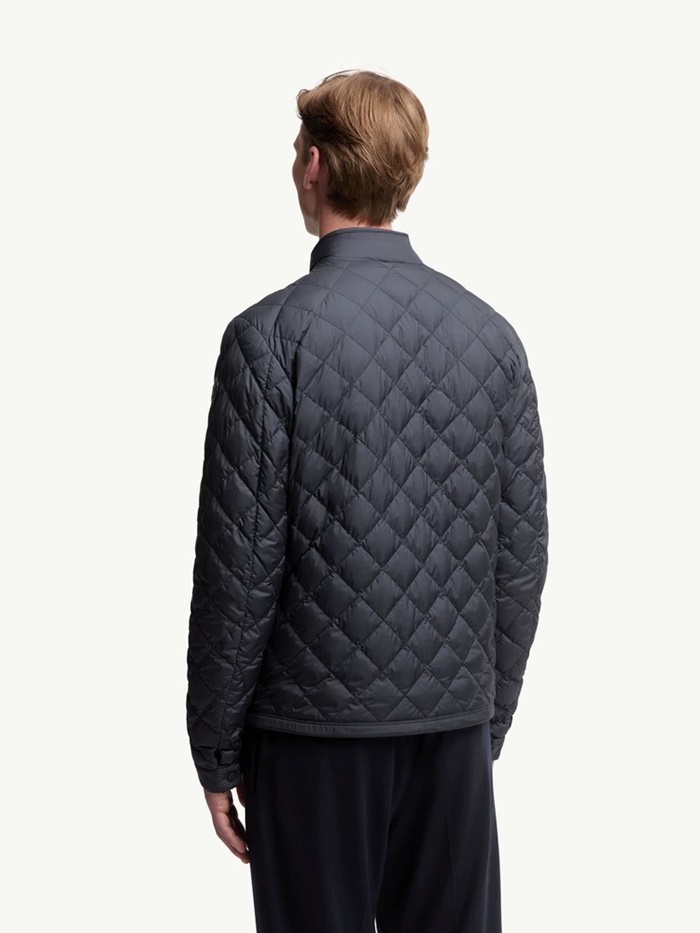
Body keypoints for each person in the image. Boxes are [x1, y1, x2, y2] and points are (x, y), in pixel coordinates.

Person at [186, 68, 549, 933]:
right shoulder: (493, 338)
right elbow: (521, 557)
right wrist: (484, 719)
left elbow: (237, 570)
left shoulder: (268, 339)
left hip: (310, 739)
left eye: (297, 151)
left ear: (315, 164)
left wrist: (216, 748)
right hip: (451, 734)